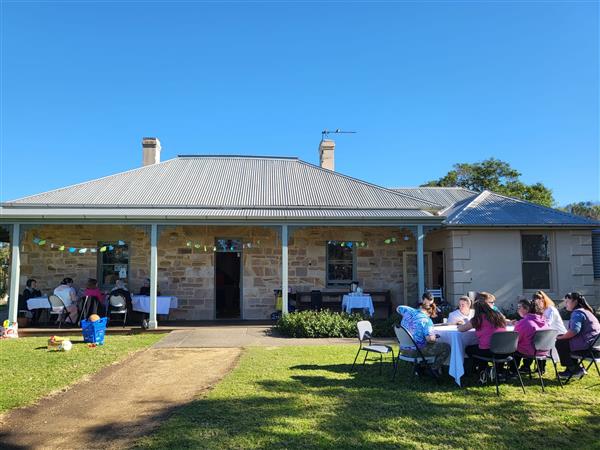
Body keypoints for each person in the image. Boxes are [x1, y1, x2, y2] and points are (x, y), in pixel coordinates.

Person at [458, 293, 508, 378]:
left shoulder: (478, 318)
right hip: (505, 351)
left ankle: (482, 370)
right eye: (491, 302)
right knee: (481, 347)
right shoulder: (499, 315)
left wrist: (459, 325)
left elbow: (461, 329)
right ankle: (496, 371)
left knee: (469, 349)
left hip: (488, 351)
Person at [396, 297, 451, 376]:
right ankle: (433, 369)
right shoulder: (426, 321)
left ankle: (421, 368)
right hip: (415, 352)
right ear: (431, 312)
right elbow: (430, 340)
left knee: (422, 342)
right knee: (446, 347)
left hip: (403, 350)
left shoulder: (407, 312)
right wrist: (434, 337)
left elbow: (398, 308)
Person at [555, 292, 600, 379]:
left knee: (560, 342)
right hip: (595, 346)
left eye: (567, 302)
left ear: (575, 301)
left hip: (588, 348)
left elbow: (574, 331)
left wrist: (561, 337)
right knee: (565, 340)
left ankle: (574, 369)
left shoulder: (577, 313)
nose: (566, 304)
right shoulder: (587, 311)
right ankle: (571, 369)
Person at [512, 298, 549, 373]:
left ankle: (512, 371)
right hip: (543, 350)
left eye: (519, 307)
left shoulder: (524, 322)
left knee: (512, 348)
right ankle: (535, 368)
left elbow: (515, 339)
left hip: (530, 351)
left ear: (527, 309)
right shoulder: (544, 320)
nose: (517, 310)